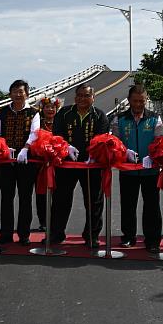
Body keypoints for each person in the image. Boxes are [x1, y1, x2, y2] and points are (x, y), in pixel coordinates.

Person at [50, 83, 110, 247]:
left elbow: (102, 138)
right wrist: (66, 147)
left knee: (93, 201)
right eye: (80, 95)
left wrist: (93, 154)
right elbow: (56, 135)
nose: (82, 99)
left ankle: (91, 235)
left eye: (86, 96)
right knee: (61, 199)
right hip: (66, 164)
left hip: (91, 165)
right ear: (75, 97)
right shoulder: (64, 113)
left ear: (93, 98)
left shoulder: (99, 115)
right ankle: (56, 233)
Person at [112, 84, 163, 253]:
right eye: (135, 101)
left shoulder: (155, 118)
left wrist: (152, 155)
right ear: (129, 100)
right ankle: (128, 237)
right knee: (128, 204)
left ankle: (153, 240)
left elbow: (160, 142)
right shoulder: (119, 119)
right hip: (128, 169)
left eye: (142, 101)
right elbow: (115, 143)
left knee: (152, 206)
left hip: (151, 170)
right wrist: (125, 152)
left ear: (146, 100)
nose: (139, 104)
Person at [0, 80, 39, 245]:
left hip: (26, 160)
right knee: (6, 197)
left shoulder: (34, 112)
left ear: (27, 93)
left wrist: (26, 148)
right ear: (10, 93)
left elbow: (35, 133)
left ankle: (24, 234)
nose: (18, 95)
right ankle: (5, 234)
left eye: (21, 92)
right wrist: (3, 148)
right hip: (6, 160)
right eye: (14, 91)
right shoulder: (2, 113)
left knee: (25, 197)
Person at [35, 96, 61, 232]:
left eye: (53, 107)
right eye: (47, 107)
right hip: (40, 164)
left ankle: (55, 221)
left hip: (57, 164)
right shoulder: (38, 123)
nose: (50, 109)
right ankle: (43, 221)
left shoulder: (60, 123)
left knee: (58, 194)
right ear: (42, 109)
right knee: (41, 194)